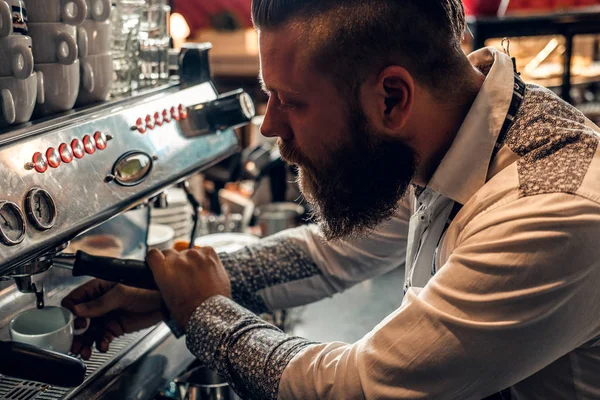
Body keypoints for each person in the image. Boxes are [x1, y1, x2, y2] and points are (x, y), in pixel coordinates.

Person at [62, 1, 600, 399]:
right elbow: (330, 253)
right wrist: (171, 287)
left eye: (290, 101)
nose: (270, 125)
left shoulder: (551, 208)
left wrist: (204, 311)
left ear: (392, 97)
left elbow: (356, 388)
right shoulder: (465, 128)